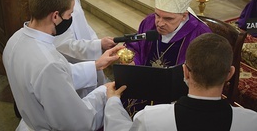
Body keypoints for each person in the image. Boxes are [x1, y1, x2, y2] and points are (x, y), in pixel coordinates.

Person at [2, 0, 124, 131]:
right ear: (55, 16)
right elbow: (77, 122)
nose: (70, 19)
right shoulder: (48, 64)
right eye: (69, 14)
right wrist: (104, 93)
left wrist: (95, 65)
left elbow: (57, 77)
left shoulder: (15, 40)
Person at [105, 33, 257, 131]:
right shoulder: (251, 122)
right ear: (230, 73)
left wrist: (112, 102)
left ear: (185, 71)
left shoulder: (150, 119)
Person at [47, 0, 116, 97]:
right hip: (75, 66)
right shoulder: (51, 7)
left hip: (89, 56)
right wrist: (96, 47)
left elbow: (85, 27)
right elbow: (64, 45)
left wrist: (98, 42)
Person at [126, 0, 211, 68]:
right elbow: (136, 47)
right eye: (157, 15)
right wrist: (133, 61)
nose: (159, 23)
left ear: (184, 16)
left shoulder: (200, 34)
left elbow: (204, 71)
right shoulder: (148, 22)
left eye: (168, 19)